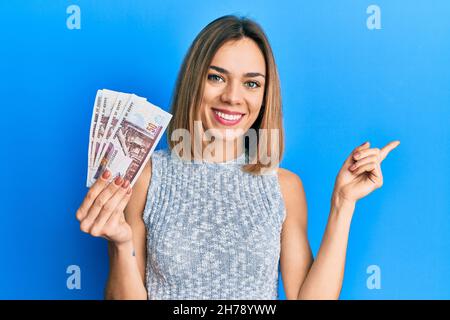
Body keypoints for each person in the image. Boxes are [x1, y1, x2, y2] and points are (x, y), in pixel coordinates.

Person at [75, 15, 400, 300]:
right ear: (194, 80)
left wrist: (343, 204)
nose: (232, 97)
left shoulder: (284, 187)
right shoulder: (146, 177)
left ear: (264, 94)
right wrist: (119, 245)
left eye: (251, 83)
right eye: (216, 77)